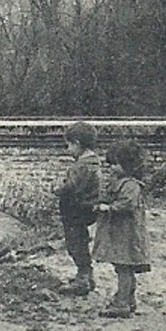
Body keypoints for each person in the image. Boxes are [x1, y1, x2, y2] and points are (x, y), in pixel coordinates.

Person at [93, 140, 151, 319]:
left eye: (115, 164)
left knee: (124, 267)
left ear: (128, 165)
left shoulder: (131, 185)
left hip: (126, 235)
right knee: (123, 267)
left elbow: (128, 204)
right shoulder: (121, 182)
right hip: (120, 233)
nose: (111, 168)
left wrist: (109, 208)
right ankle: (128, 298)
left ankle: (122, 303)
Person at [56, 122, 103, 295]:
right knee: (81, 241)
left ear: (77, 143)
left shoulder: (81, 166)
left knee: (75, 244)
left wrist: (58, 190)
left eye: (69, 145)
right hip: (86, 209)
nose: (68, 150)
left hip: (76, 211)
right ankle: (86, 275)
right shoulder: (93, 163)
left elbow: (71, 187)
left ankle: (83, 278)